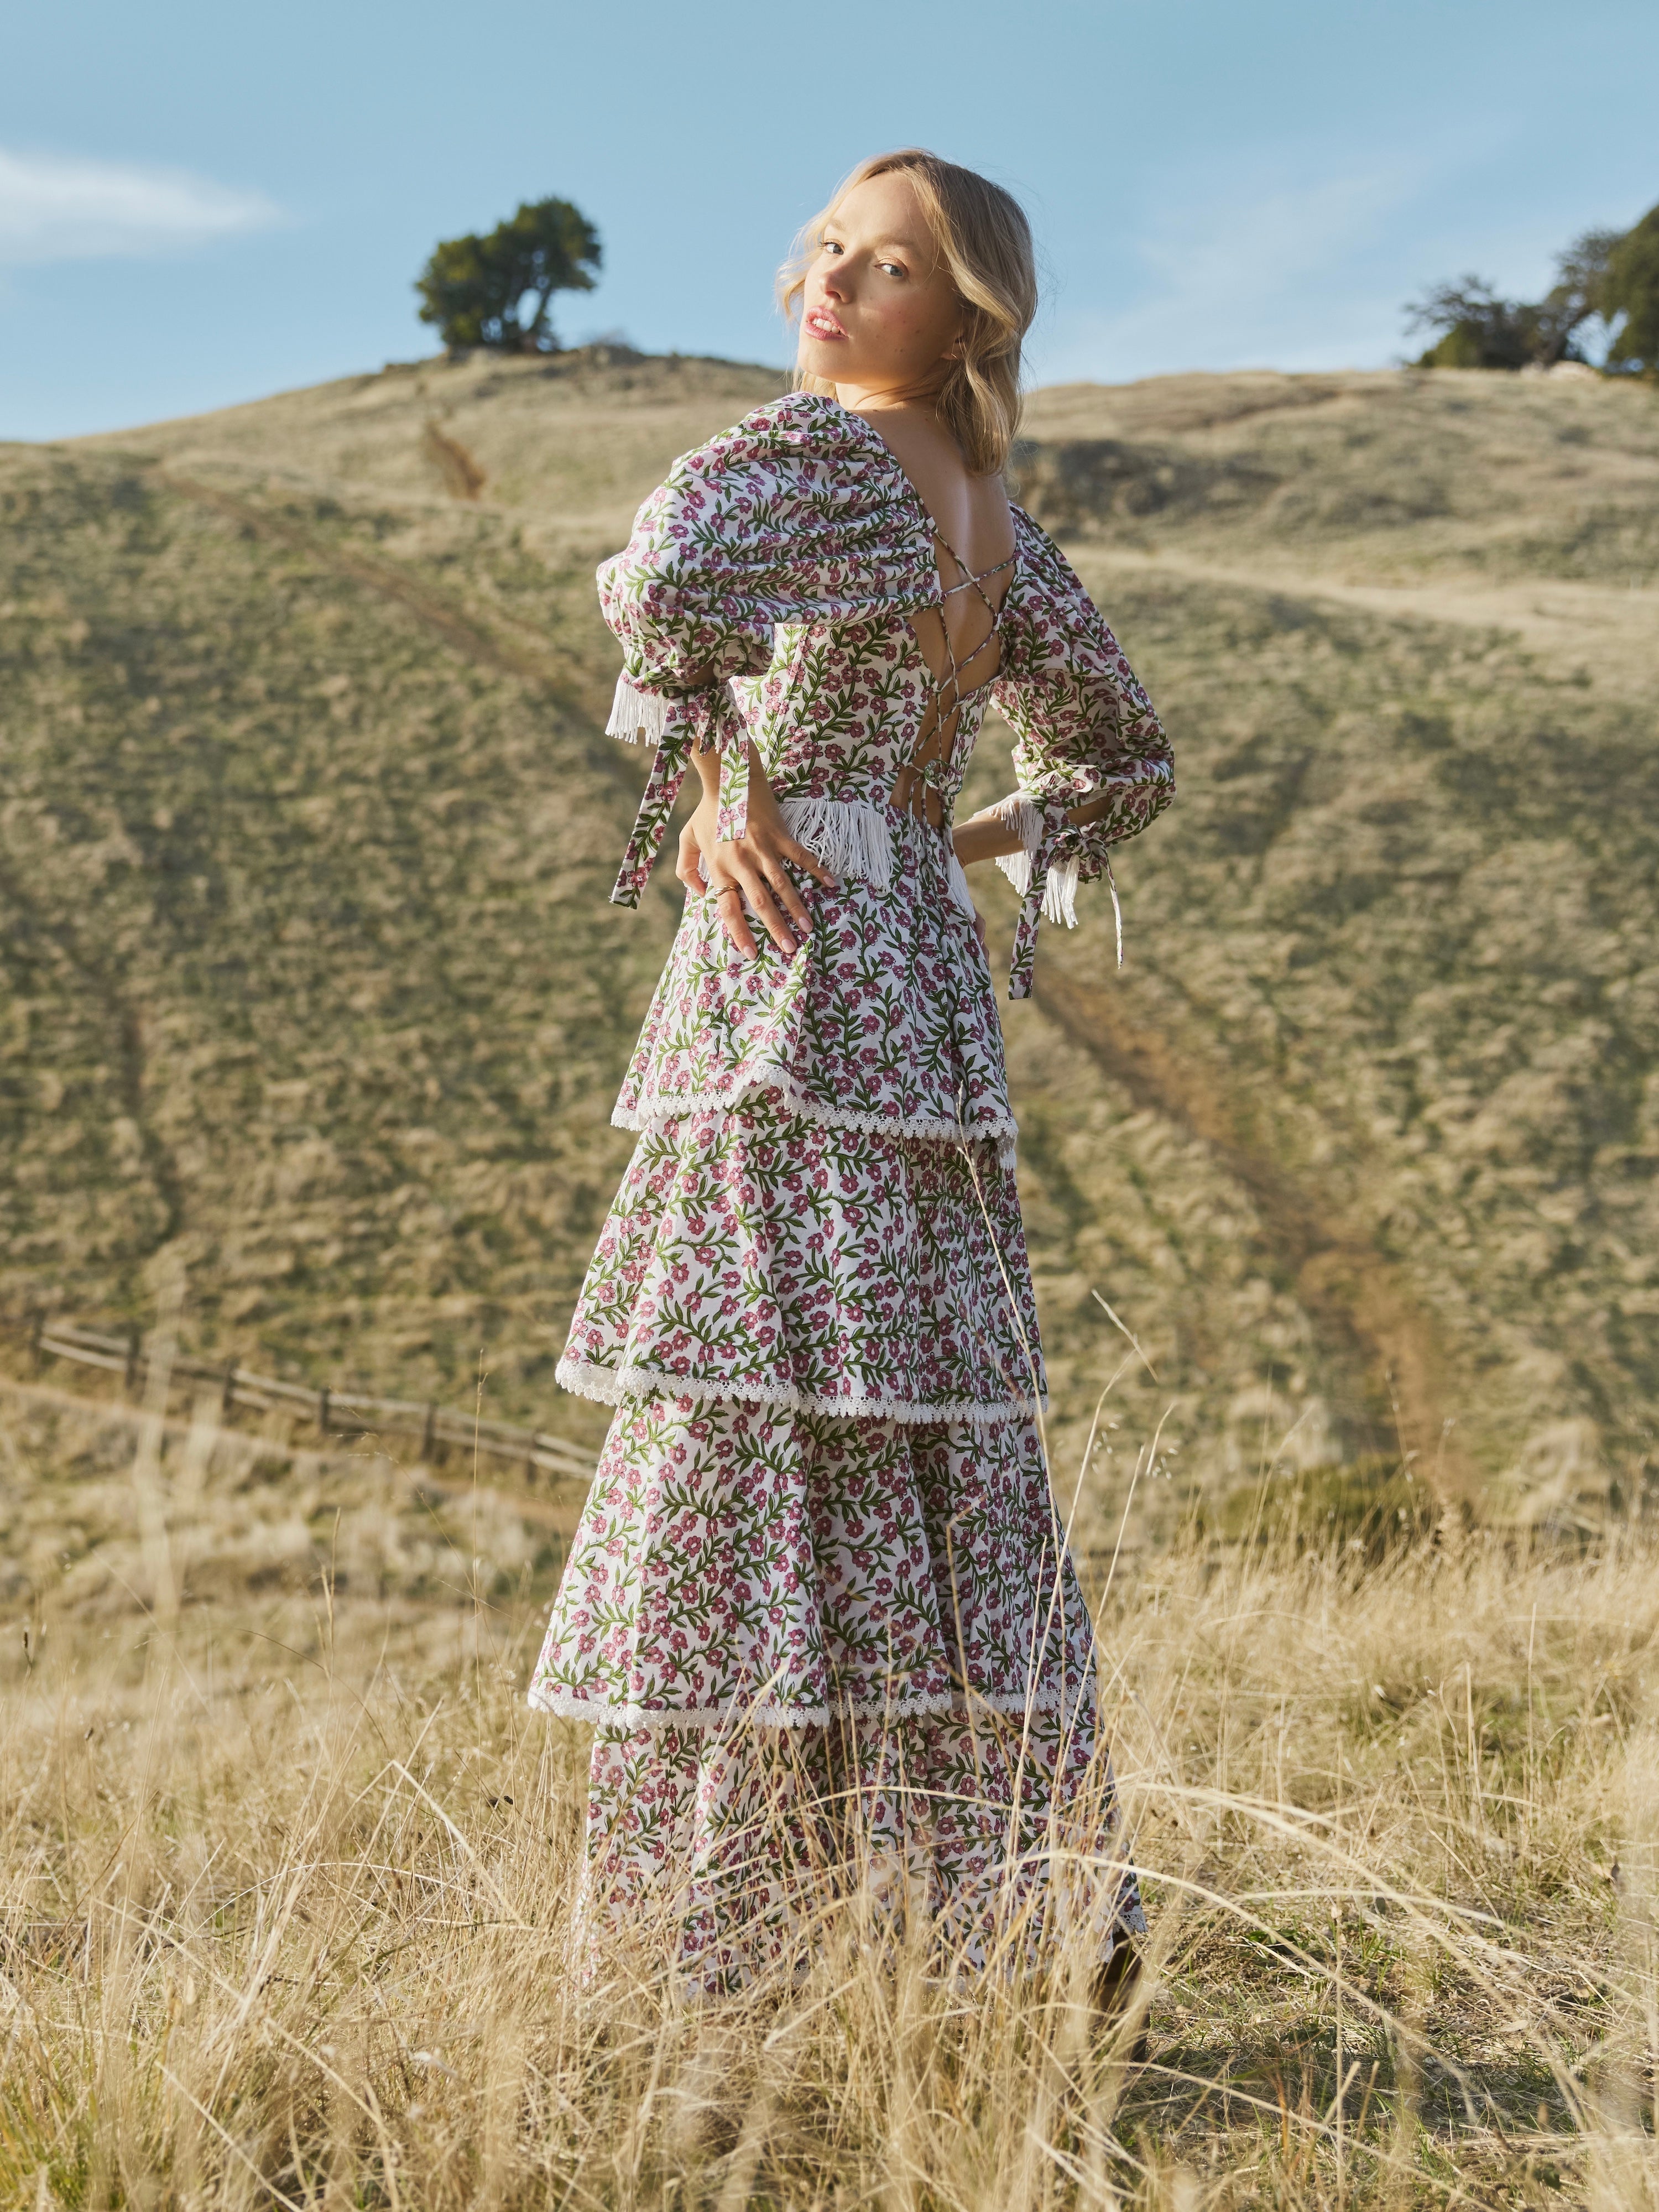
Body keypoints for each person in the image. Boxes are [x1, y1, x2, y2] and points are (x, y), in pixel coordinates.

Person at [528, 149, 1174, 2000]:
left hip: (791, 976)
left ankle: (716, 1951)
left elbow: (655, 582)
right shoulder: (994, 517)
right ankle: (989, 1921)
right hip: (915, 979)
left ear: (962, 314)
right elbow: (1122, 759)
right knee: (918, 1450)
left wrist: (728, 795)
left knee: (745, 1432)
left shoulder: (816, 458)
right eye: (825, 246)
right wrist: (936, 840)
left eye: (882, 269)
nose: (828, 284)